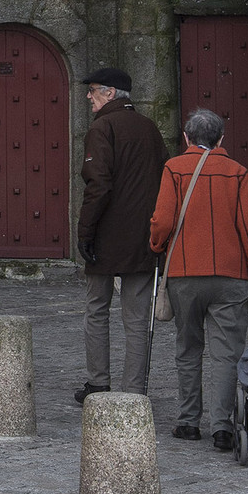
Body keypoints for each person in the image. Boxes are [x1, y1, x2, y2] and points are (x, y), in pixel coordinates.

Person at [149, 107, 248, 452]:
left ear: (186, 138)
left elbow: (163, 220)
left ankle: (189, 422)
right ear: (221, 139)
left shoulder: (174, 168)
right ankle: (222, 428)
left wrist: (156, 245)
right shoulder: (237, 172)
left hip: (184, 274)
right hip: (230, 275)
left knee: (188, 348)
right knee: (226, 354)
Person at [75, 64, 166, 403]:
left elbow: (98, 185)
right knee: (137, 318)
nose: (89, 97)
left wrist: (85, 232)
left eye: (92, 90)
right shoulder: (149, 127)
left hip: (106, 235)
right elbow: (165, 179)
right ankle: (134, 391)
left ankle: (98, 382)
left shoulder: (103, 127)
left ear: (110, 93)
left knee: (97, 309)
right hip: (143, 235)